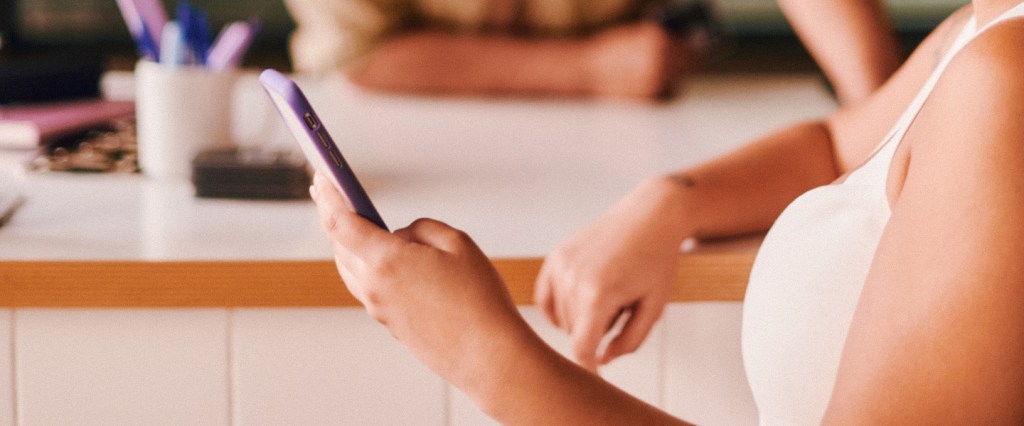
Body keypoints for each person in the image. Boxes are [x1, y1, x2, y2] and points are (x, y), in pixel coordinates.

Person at [308, 0, 1024, 424]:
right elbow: (842, 141)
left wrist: (486, 356)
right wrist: (672, 201)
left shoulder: (1008, 79)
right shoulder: (982, 27)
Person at [283, 0, 900, 101]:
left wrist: (895, 122)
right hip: (395, 137)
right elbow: (358, 56)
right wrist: (591, 68)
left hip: (636, 140)